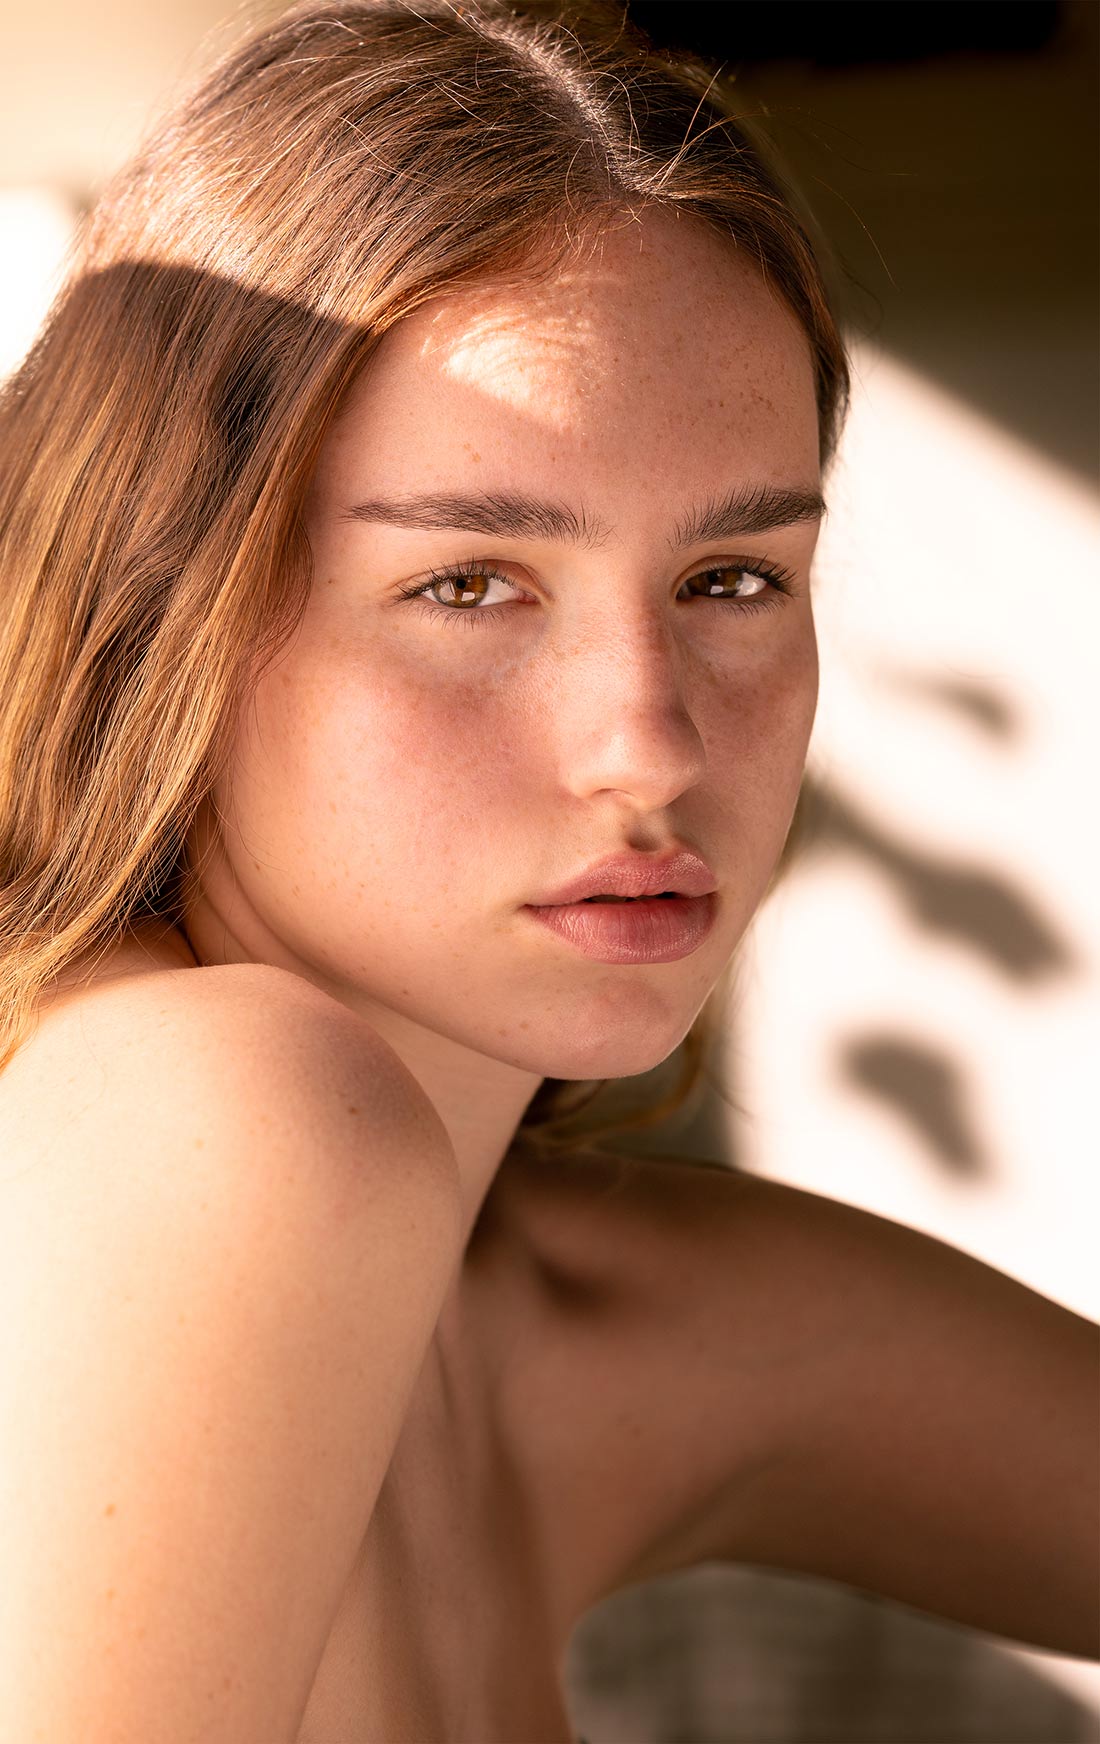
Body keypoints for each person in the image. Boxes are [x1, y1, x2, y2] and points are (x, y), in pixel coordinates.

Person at [0, 1, 1095, 1740]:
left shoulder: (561, 1310)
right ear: (163, 605)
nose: (649, 746)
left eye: (732, 579)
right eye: (468, 585)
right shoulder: (213, 1117)